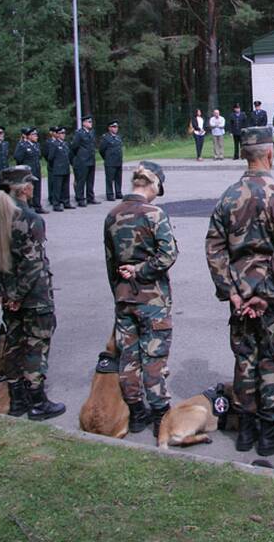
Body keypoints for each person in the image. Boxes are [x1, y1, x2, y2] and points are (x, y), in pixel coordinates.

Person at [205, 127, 274, 456]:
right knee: (273, 359)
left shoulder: (229, 196)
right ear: (269, 154)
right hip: (272, 298)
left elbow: (214, 249)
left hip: (240, 296)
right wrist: (269, 294)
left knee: (245, 358)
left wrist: (231, 291)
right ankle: (269, 431)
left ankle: (245, 430)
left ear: (245, 154)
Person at [104, 161, 179, 439]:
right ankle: (160, 414)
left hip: (124, 297)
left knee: (129, 356)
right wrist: (141, 270)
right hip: (152, 299)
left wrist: (119, 290)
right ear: (154, 185)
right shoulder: (154, 214)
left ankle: (136, 412)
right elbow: (168, 255)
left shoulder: (113, 215)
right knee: (154, 356)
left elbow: (110, 261)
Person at [0, 165, 66, 421]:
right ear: (25, 188)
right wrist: (18, 296)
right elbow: (34, 264)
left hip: (10, 296)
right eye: (31, 183)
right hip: (33, 298)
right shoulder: (30, 219)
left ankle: (17, 398)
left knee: (14, 345)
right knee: (36, 347)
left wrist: (2, 293)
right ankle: (37, 401)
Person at [13, 127, 47, 214]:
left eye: (36, 135)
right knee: (26, 189)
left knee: (37, 188)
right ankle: (27, 207)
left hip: (36, 169)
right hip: (27, 172)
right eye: (33, 135)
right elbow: (18, 158)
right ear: (28, 136)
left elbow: (39, 157)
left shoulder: (36, 145)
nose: (36, 136)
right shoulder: (22, 145)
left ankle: (37, 206)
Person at [70, 115, 98, 206]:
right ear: (84, 123)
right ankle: (80, 198)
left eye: (91, 122)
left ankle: (90, 197)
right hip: (82, 160)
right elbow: (74, 146)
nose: (91, 124)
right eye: (89, 122)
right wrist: (78, 157)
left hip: (91, 159)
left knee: (90, 180)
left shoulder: (92, 132)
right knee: (81, 181)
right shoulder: (79, 133)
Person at [44, 127, 72, 212]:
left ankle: (66, 202)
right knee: (57, 187)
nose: (63, 135)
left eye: (64, 133)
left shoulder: (65, 144)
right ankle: (56, 204)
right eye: (61, 133)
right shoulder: (54, 144)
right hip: (58, 168)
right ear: (57, 135)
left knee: (65, 187)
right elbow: (50, 157)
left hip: (65, 168)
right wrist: (56, 165)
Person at [99, 121, 124, 201]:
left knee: (118, 178)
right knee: (110, 179)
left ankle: (118, 193)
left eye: (116, 127)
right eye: (113, 127)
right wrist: (106, 158)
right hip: (110, 162)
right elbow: (102, 150)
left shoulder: (118, 137)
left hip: (118, 161)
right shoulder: (105, 138)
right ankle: (110, 194)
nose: (115, 128)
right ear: (109, 128)